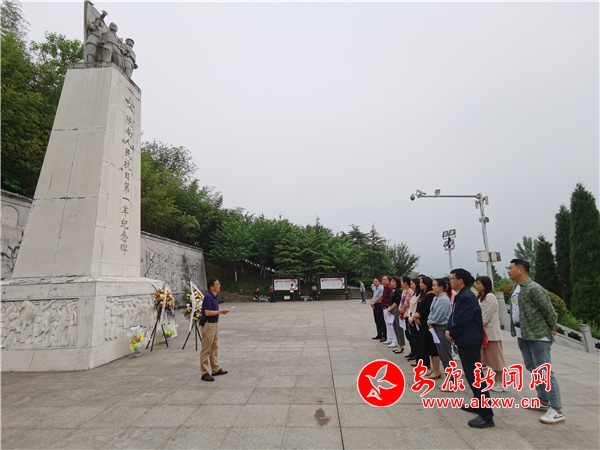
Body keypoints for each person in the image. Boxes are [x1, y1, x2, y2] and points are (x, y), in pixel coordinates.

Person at [508, 259, 564, 424]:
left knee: (544, 371)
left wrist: (552, 327)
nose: (509, 271)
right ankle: (543, 401)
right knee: (533, 368)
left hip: (538, 335)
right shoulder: (517, 288)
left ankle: (557, 410)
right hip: (523, 334)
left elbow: (549, 311)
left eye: (511, 268)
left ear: (521, 270)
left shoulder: (534, 288)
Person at [446, 268, 494, 428]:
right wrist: (449, 328)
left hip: (469, 340)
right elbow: (454, 316)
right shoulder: (462, 294)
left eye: (452, 278)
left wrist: (452, 332)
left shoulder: (467, 296)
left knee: (476, 377)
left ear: (460, 280)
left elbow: (462, 320)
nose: (450, 281)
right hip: (464, 340)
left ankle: (487, 416)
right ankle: (478, 403)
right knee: (471, 376)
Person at [476, 276, 506, 392]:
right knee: (489, 359)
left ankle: (500, 382)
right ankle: (495, 381)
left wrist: (477, 324)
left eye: (479, 284)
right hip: (484, 333)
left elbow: (486, 316)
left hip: (491, 333)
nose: (477, 286)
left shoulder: (490, 297)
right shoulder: (480, 297)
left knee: (496, 359)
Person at [200, 278, 229, 381]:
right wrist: (220, 311)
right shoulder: (208, 297)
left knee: (214, 347)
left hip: (214, 324)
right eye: (217, 284)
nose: (219, 286)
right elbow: (207, 312)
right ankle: (204, 373)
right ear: (211, 287)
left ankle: (215, 369)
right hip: (208, 325)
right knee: (206, 349)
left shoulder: (214, 296)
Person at [428, 278, 453, 381]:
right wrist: (430, 321)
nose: (433, 287)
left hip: (442, 327)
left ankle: (451, 381)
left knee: (446, 356)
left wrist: (431, 321)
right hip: (435, 327)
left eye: (435, 285)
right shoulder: (436, 298)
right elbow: (431, 312)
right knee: (441, 354)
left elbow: (440, 315)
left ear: (441, 287)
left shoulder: (444, 299)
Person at [411, 276, 435, 373]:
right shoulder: (422, 294)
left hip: (425, 321)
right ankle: (421, 361)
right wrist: (416, 316)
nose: (420, 284)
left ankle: (426, 363)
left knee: (425, 343)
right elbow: (418, 306)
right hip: (418, 320)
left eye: (422, 283)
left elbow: (427, 309)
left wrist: (419, 315)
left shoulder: (430, 295)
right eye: (420, 282)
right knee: (420, 342)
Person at [404, 278, 421, 362]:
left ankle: (417, 356)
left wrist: (413, 317)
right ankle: (414, 354)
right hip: (410, 317)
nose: (411, 286)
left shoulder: (420, 295)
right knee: (411, 337)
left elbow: (416, 308)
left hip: (415, 318)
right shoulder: (414, 293)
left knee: (416, 339)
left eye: (412, 284)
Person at [388, 276, 405, 353]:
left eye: (393, 281)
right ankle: (398, 344)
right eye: (391, 281)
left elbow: (397, 301)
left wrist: (390, 308)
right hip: (392, 309)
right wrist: (389, 308)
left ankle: (401, 345)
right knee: (395, 327)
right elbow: (390, 301)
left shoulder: (399, 291)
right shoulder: (392, 291)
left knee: (398, 327)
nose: (391, 282)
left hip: (396, 309)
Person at [380, 276, 394, 345]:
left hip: (387, 308)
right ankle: (390, 338)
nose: (382, 280)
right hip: (384, 307)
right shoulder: (385, 288)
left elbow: (391, 298)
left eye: (384, 279)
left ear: (388, 280)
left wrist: (390, 307)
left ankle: (393, 339)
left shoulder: (389, 288)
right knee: (387, 324)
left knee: (390, 324)